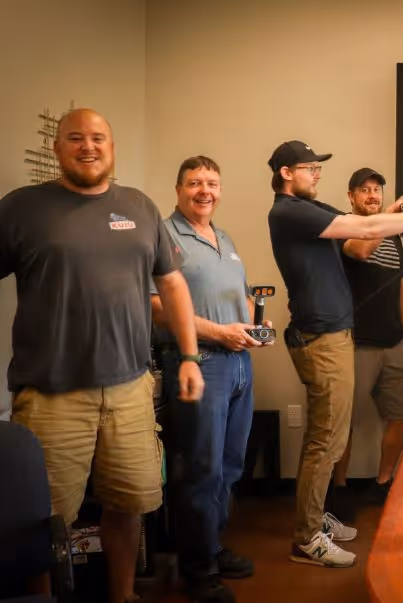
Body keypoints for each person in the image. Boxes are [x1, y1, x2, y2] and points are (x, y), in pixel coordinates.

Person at [0, 108, 204, 603]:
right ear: (57, 148)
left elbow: (172, 283)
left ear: (112, 148)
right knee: (44, 519)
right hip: (51, 397)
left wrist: (190, 356)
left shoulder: (139, 206)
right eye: (75, 138)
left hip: (130, 390)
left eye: (97, 138)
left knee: (129, 503)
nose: (87, 147)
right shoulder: (22, 208)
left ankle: (123, 595)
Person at [266, 140, 403, 568]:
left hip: (334, 335)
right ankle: (307, 538)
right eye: (309, 168)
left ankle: (315, 518)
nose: (317, 174)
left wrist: (397, 214)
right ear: (286, 174)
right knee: (325, 440)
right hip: (321, 338)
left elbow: (360, 236)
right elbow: (366, 231)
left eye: (318, 168)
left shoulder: (311, 209)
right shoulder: (289, 211)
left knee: (327, 437)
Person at [151, 156, 267, 603]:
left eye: (212, 183)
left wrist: (253, 325)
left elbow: (239, 295)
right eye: (195, 183)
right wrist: (219, 332)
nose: (205, 191)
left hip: (238, 364)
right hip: (198, 363)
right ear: (178, 189)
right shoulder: (163, 235)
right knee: (200, 468)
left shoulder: (224, 237)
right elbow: (156, 306)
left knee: (230, 465)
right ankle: (196, 569)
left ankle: (211, 547)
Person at [331, 168, 403, 506]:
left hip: (395, 343)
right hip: (355, 343)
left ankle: (383, 483)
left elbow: (402, 285)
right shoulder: (342, 227)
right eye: (365, 190)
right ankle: (339, 488)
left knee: (401, 414)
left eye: (377, 190)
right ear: (351, 196)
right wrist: (390, 216)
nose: (372, 195)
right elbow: (360, 251)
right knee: (343, 422)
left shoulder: (391, 234)